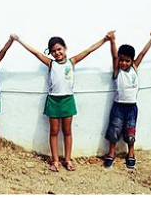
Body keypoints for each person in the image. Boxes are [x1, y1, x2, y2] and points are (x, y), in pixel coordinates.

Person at [13, 33, 111, 172]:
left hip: (67, 100)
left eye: (59, 49)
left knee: (67, 131)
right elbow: (34, 52)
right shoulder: (50, 63)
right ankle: (55, 160)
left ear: (65, 48)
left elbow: (89, 50)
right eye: (53, 51)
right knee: (53, 131)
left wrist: (104, 40)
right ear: (51, 53)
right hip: (53, 100)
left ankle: (68, 159)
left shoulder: (72, 62)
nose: (57, 53)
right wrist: (19, 40)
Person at [102, 29, 151, 169]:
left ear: (132, 61)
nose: (124, 63)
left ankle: (131, 153)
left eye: (127, 61)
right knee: (114, 130)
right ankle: (111, 153)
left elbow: (143, 53)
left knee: (130, 131)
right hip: (118, 106)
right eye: (122, 60)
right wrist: (112, 41)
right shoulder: (117, 71)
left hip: (132, 107)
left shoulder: (134, 68)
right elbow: (114, 56)